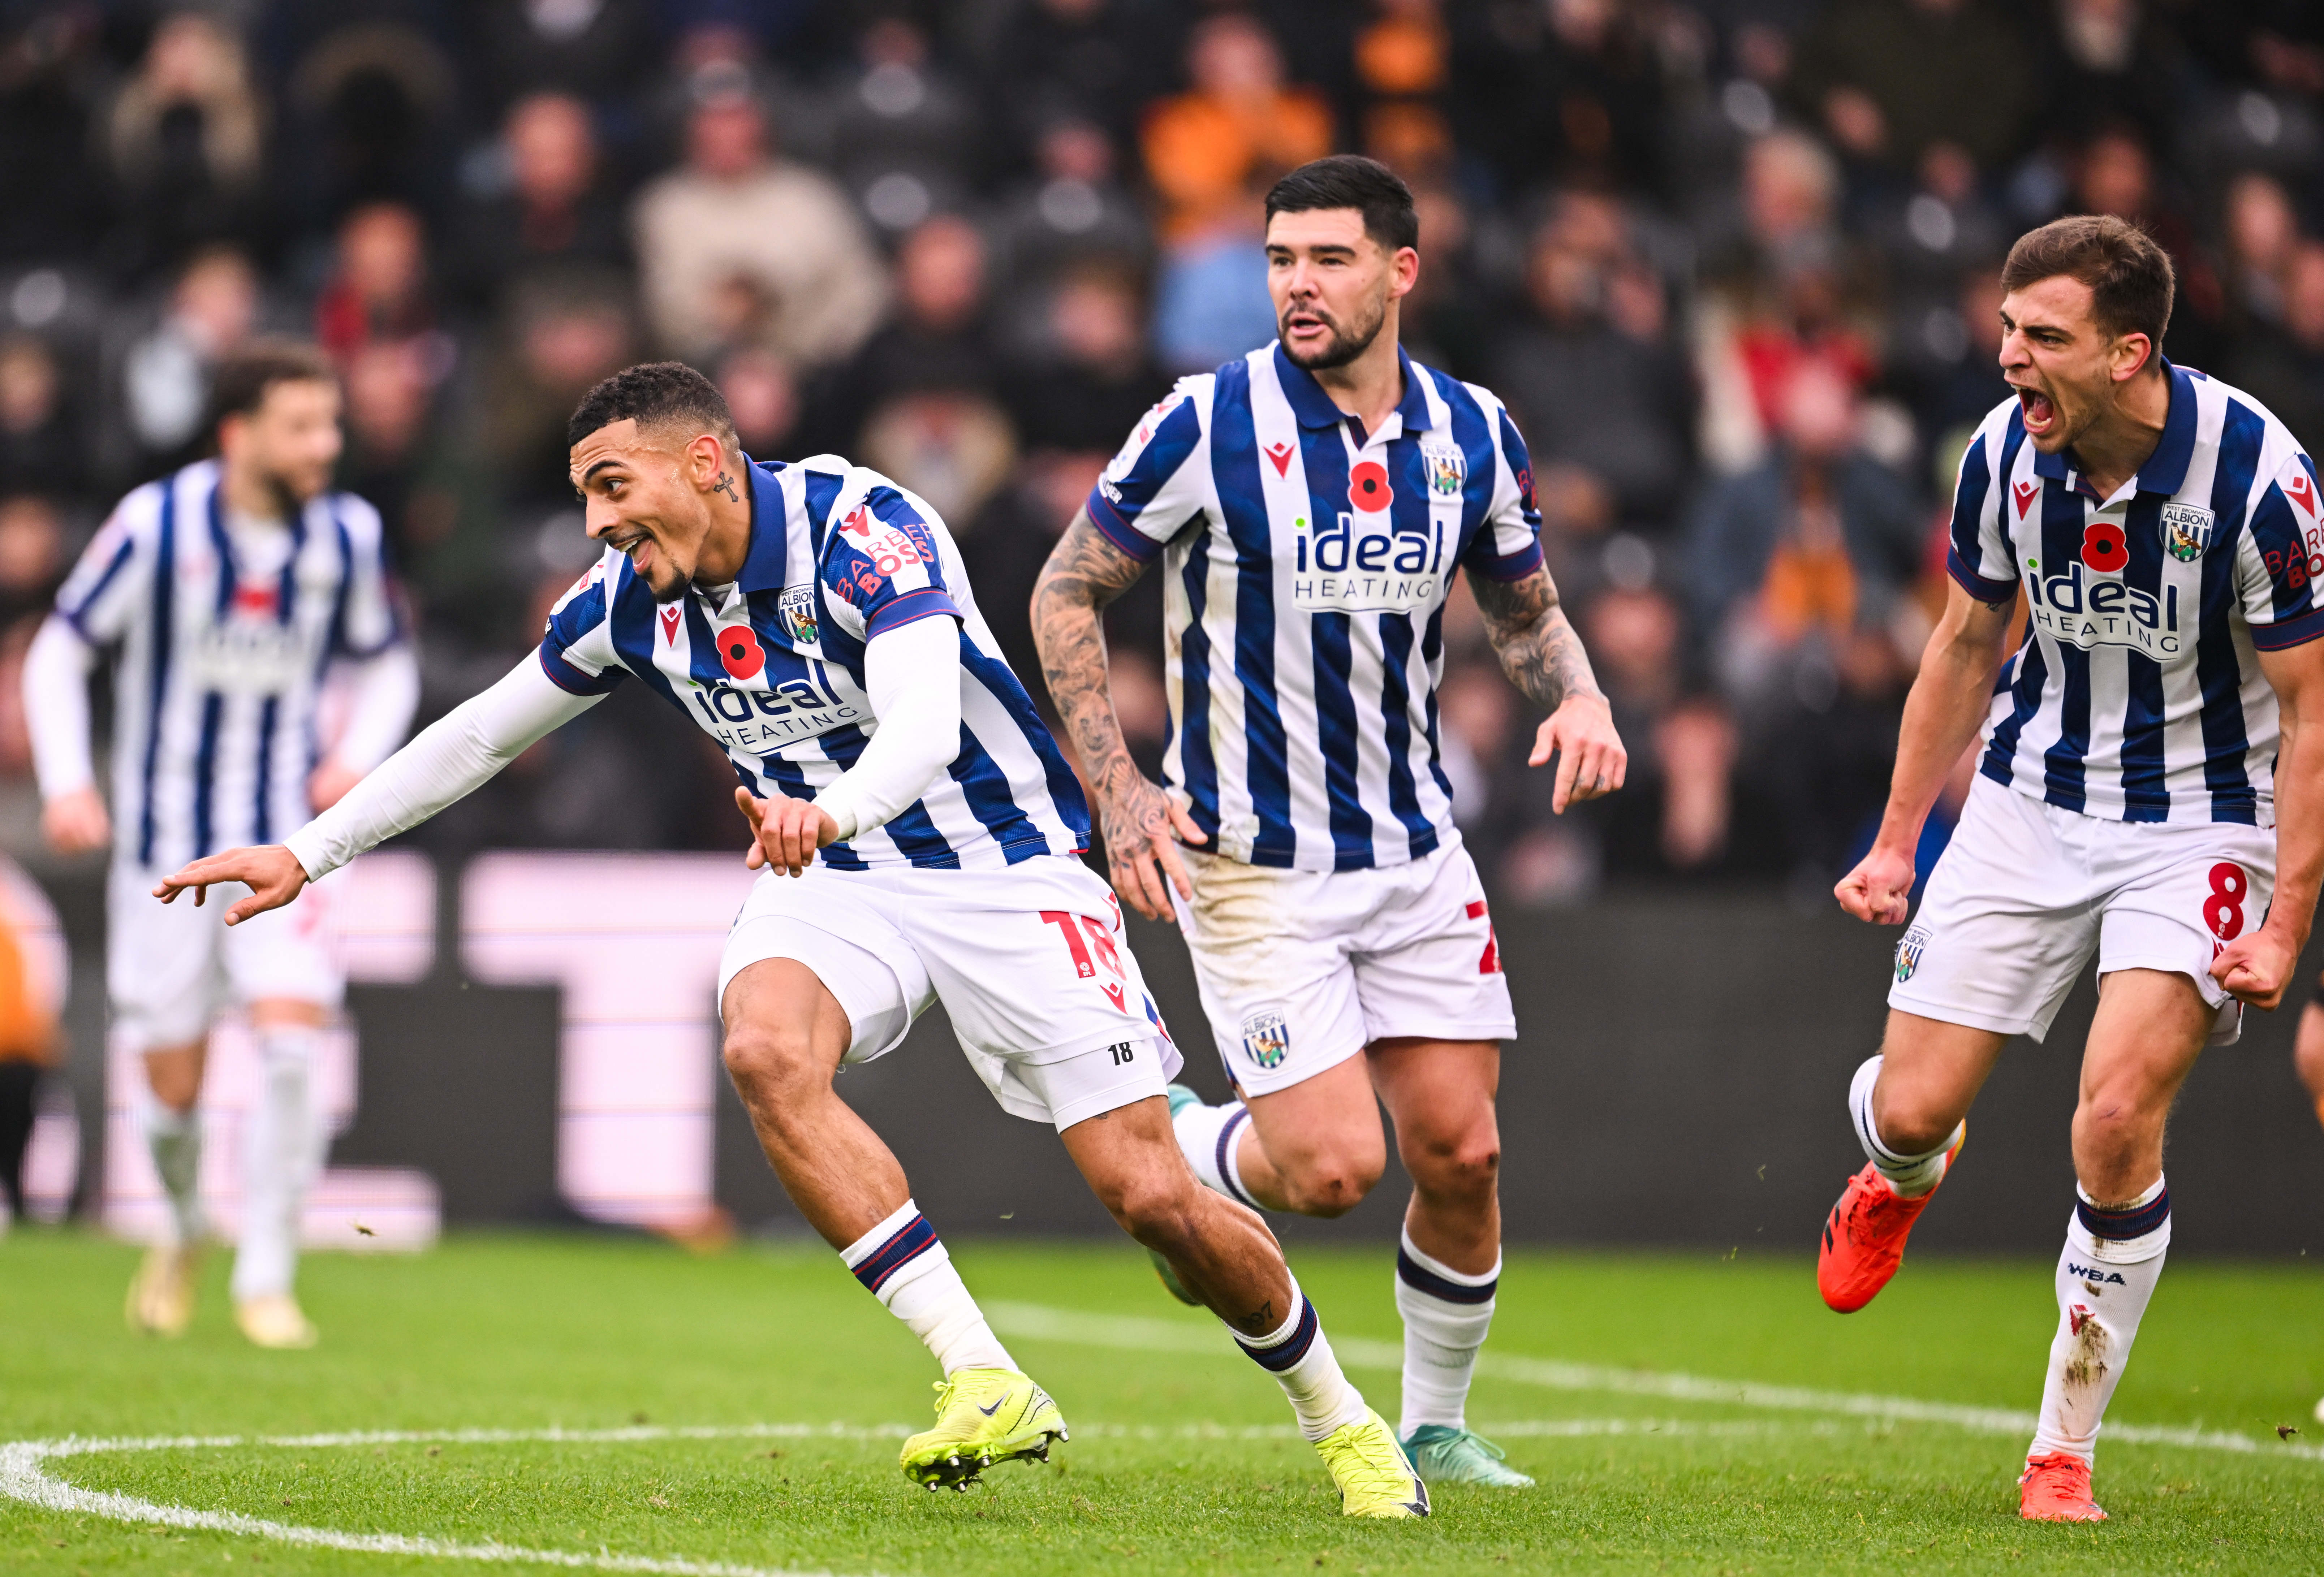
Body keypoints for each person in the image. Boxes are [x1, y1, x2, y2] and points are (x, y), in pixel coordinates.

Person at [155, 361, 1430, 1517]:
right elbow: (484, 732)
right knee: (764, 1049)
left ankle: (1342, 1420)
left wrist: (830, 808)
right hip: (834, 873)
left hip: (1004, 867)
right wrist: (309, 849)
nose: (597, 523)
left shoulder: (861, 528)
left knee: (1152, 1198)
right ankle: (982, 1374)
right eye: (583, 497)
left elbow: (927, 725)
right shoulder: (627, 601)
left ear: (706, 460)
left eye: (613, 487)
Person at [1031, 155, 1628, 1489]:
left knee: (1462, 1152)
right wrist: (1117, 788)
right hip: (1255, 866)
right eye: (1280, 260)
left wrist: (1581, 697)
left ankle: (1435, 1426)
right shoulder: (1204, 421)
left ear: (1400, 271)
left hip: (1415, 852)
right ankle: (1188, 1151)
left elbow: (1523, 609)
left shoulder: (1472, 430)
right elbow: (1065, 593)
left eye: (1328, 259)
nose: (1298, 285)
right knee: (1330, 1172)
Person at [1825, 215, 2324, 1522]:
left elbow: (2316, 713)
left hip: (2203, 821)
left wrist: (2282, 927)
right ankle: (1903, 1175)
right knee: (1912, 1109)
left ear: (2128, 354)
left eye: (2041, 338)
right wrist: (1894, 839)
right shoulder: (2000, 456)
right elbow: (1959, 643)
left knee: (2112, 1121)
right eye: (2004, 329)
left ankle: (2061, 1449)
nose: (2007, 359)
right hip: (2025, 802)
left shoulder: (2260, 480)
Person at [24, 340, 419, 1347]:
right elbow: (63, 649)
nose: (325, 445)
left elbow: (387, 668)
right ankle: (188, 1222)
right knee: (170, 1095)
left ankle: (268, 1276)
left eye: (331, 424)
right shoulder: (155, 525)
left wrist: (356, 757)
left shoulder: (347, 536)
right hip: (160, 852)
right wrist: (69, 779)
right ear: (238, 434)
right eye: (302, 426)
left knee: (292, 1046)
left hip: (289, 847)